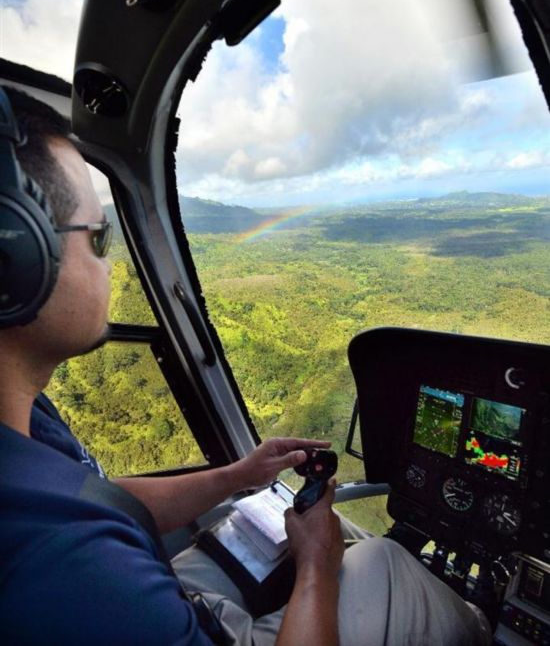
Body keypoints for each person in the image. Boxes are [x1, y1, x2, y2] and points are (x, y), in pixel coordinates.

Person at [0, 88, 491, 645]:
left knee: (295, 524)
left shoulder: (25, 424)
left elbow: (101, 498)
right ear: (17, 259)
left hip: (165, 594)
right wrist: (316, 571)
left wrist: (240, 474)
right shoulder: (63, 564)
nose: (112, 265)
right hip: (154, 612)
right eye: (99, 235)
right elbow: (86, 543)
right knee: (384, 562)